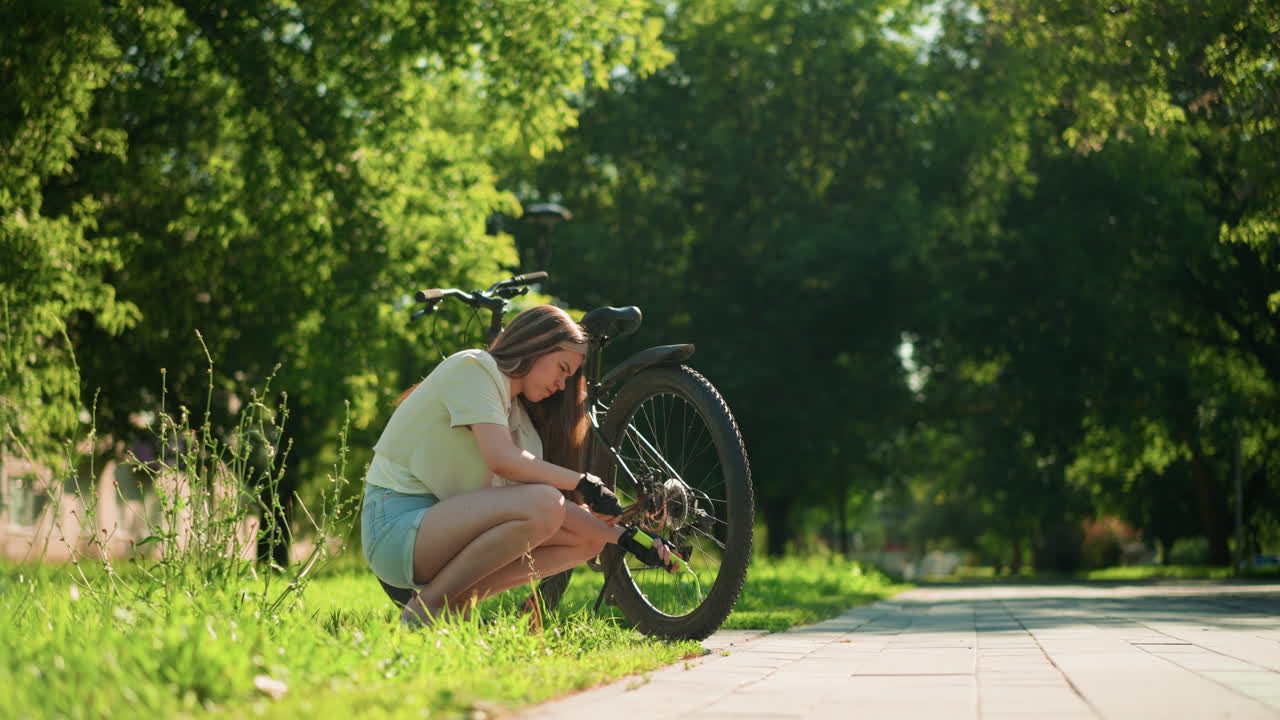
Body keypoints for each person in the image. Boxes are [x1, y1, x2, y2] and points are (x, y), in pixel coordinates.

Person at [361, 304, 682, 626]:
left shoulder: (522, 426)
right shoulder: (474, 367)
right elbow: (503, 461)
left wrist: (630, 539)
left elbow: (552, 512)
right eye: (562, 368)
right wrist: (584, 483)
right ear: (539, 344)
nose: (561, 384)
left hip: (437, 530)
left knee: (588, 540)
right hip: (395, 528)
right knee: (546, 502)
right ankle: (425, 610)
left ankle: (455, 603)